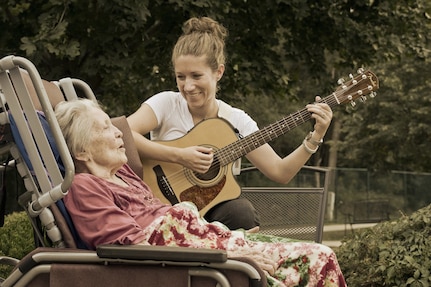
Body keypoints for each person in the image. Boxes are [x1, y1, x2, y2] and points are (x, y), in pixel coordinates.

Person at [55, 98, 346, 286]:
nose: (119, 133)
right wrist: (233, 259)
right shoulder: (85, 185)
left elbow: (280, 171)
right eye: (105, 128)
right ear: (81, 150)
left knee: (320, 254)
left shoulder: (124, 175)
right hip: (194, 263)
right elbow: (130, 249)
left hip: (205, 244)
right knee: (316, 261)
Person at [127, 16, 333, 230]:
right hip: (161, 206)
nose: (188, 86)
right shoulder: (166, 104)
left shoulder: (236, 120)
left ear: (219, 72)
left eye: (196, 76)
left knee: (242, 214)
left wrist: (316, 136)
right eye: (181, 77)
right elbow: (121, 133)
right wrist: (180, 156)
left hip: (211, 214)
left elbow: (280, 172)